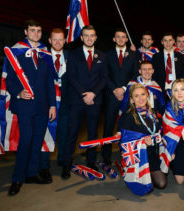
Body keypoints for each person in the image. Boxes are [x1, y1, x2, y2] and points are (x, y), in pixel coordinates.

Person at [6, 20, 56, 195]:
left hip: (42, 106)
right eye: (32, 30)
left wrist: (52, 105)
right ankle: (17, 178)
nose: (36, 33)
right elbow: (9, 80)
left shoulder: (45, 53)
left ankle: (32, 174)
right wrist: (19, 92)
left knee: (37, 142)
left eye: (39, 31)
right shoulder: (15, 52)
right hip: (25, 106)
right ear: (25, 32)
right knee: (25, 141)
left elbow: (50, 82)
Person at [61, 25, 108, 179]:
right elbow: (71, 77)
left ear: (95, 37)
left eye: (92, 35)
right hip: (77, 100)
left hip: (95, 100)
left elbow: (104, 78)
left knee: (93, 133)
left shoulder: (102, 55)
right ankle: (66, 163)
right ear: (81, 38)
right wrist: (84, 94)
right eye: (86, 35)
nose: (89, 38)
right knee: (72, 132)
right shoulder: (73, 55)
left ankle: (91, 161)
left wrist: (93, 94)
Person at [102, 28, 139, 166]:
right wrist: (115, 90)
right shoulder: (107, 55)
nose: (121, 39)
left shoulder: (133, 55)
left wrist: (123, 89)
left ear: (126, 39)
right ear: (114, 39)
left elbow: (135, 74)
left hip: (128, 96)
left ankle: (127, 154)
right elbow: (104, 75)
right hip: (111, 96)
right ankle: (106, 156)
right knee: (108, 126)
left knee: (127, 126)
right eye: (118, 37)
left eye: (123, 37)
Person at [119, 84, 167, 189]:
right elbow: (124, 143)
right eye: (136, 96)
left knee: (162, 184)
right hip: (138, 159)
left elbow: (159, 131)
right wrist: (142, 142)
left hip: (152, 155)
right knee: (147, 187)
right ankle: (134, 173)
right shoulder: (129, 117)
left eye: (143, 94)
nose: (141, 98)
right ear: (131, 100)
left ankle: (149, 172)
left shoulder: (152, 112)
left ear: (147, 95)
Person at [39, 28, 69, 182]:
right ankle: (44, 166)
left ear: (65, 41)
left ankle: (64, 163)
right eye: (55, 39)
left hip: (65, 103)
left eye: (61, 39)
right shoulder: (42, 56)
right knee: (46, 135)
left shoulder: (70, 56)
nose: (58, 42)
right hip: (47, 103)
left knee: (64, 134)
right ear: (49, 41)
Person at [152, 32, 184, 100]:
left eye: (170, 40)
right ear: (162, 42)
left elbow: (183, 75)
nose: (168, 43)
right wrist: (155, 90)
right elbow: (154, 75)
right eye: (165, 40)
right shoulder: (156, 57)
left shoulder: (180, 57)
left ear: (173, 41)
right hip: (161, 91)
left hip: (177, 91)